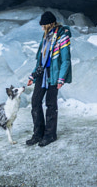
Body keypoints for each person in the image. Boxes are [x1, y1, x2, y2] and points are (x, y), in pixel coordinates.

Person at [26, 10, 72, 147]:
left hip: (54, 74)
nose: (41, 27)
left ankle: (50, 134)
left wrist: (61, 78)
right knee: (35, 101)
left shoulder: (63, 36)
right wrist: (33, 76)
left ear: (49, 24)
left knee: (51, 105)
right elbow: (40, 59)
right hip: (42, 74)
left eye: (43, 25)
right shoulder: (45, 36)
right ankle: (38, 133)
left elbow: (66, 60)